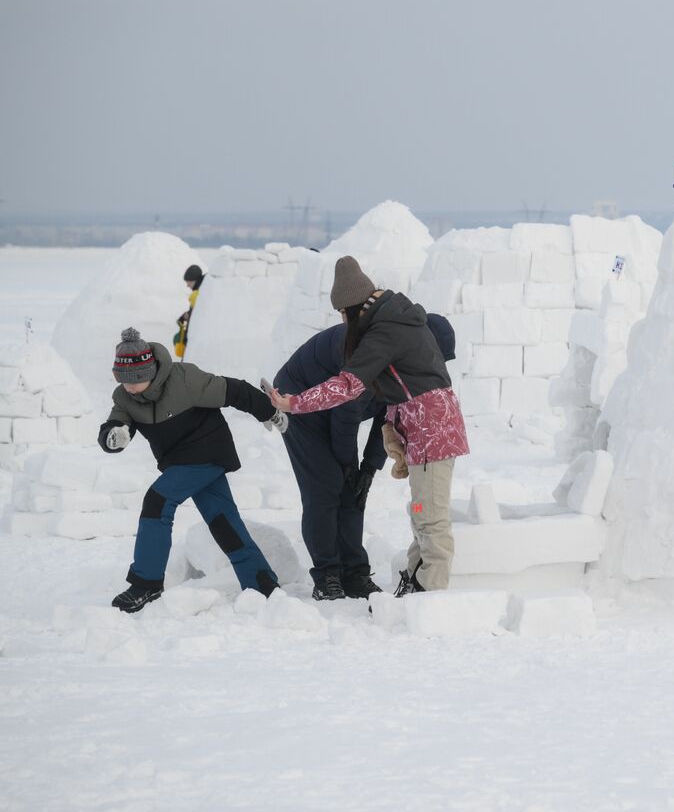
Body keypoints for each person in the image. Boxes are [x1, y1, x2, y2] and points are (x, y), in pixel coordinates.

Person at [267, 257, 469, 597]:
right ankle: (328, 573)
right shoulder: (372, 347)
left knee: (359, 492)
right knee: (328, 486)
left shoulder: (396, 356)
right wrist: (349, 464)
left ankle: (355, 572)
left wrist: (369, 469)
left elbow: (386, 418)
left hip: (342, 404)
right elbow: (347, 407)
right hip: (303, 403)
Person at [98, 328, 288, 613]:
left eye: (135, 380)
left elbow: (232, 389)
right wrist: (114, 436)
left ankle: (145, 583)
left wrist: (268, 410)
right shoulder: (125, 397)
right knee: (223, 521)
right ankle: (262, 583)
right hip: (178, 461)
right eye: (123, 380)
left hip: (208, 451)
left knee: (158, 501)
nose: (129, 387)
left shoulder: (184, 379)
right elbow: (115, 422)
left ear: (149, 372)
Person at [173, 264, 204, 360]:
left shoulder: (197, 294)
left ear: (195, 280)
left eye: (189, 282)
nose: (187, 285)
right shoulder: (203, 290)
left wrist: (188, 316)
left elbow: (198, 314)